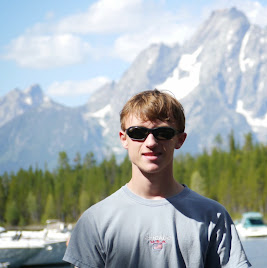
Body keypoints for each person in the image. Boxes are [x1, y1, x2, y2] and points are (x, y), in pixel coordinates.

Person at [63, 89, 251, 268]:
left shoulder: (213, 216)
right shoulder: (94, 221)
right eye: (138, 133)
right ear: (123, 139)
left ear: (180, 139)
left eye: (163, 133)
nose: (151, 142)